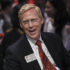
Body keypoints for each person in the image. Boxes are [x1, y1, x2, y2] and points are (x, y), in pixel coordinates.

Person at [3, 4, 70, 70]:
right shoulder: (14, 52)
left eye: (33, 20)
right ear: (21, 25)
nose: (30, 25)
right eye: (25, 22)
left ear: (41, 20)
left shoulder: (54, 39)